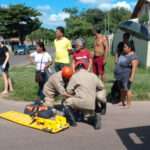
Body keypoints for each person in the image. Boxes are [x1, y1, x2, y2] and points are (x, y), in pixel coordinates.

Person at [65, 61, 107, 129]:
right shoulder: (93, 75)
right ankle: (95, 115)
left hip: (81, 102)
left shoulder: (74, 76)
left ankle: (73, 122)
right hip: (92, 103)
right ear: (85, 68)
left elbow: (68, 91)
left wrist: (75, 92)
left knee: (66, 102)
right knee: (92, 98)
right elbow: (101, 87)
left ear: (76, 68)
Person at [114, 40, 139, 108]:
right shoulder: (123, 53)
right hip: (120, 76)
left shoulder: (133, 56)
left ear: (129, 48)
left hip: (127, 76)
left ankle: (128, 104)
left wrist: (132, 77)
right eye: (123, 47)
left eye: (125, 47)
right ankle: (123, 103)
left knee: (127, 89)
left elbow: (134, 68)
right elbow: (118, 61)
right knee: (122, 90)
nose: (123, 48)